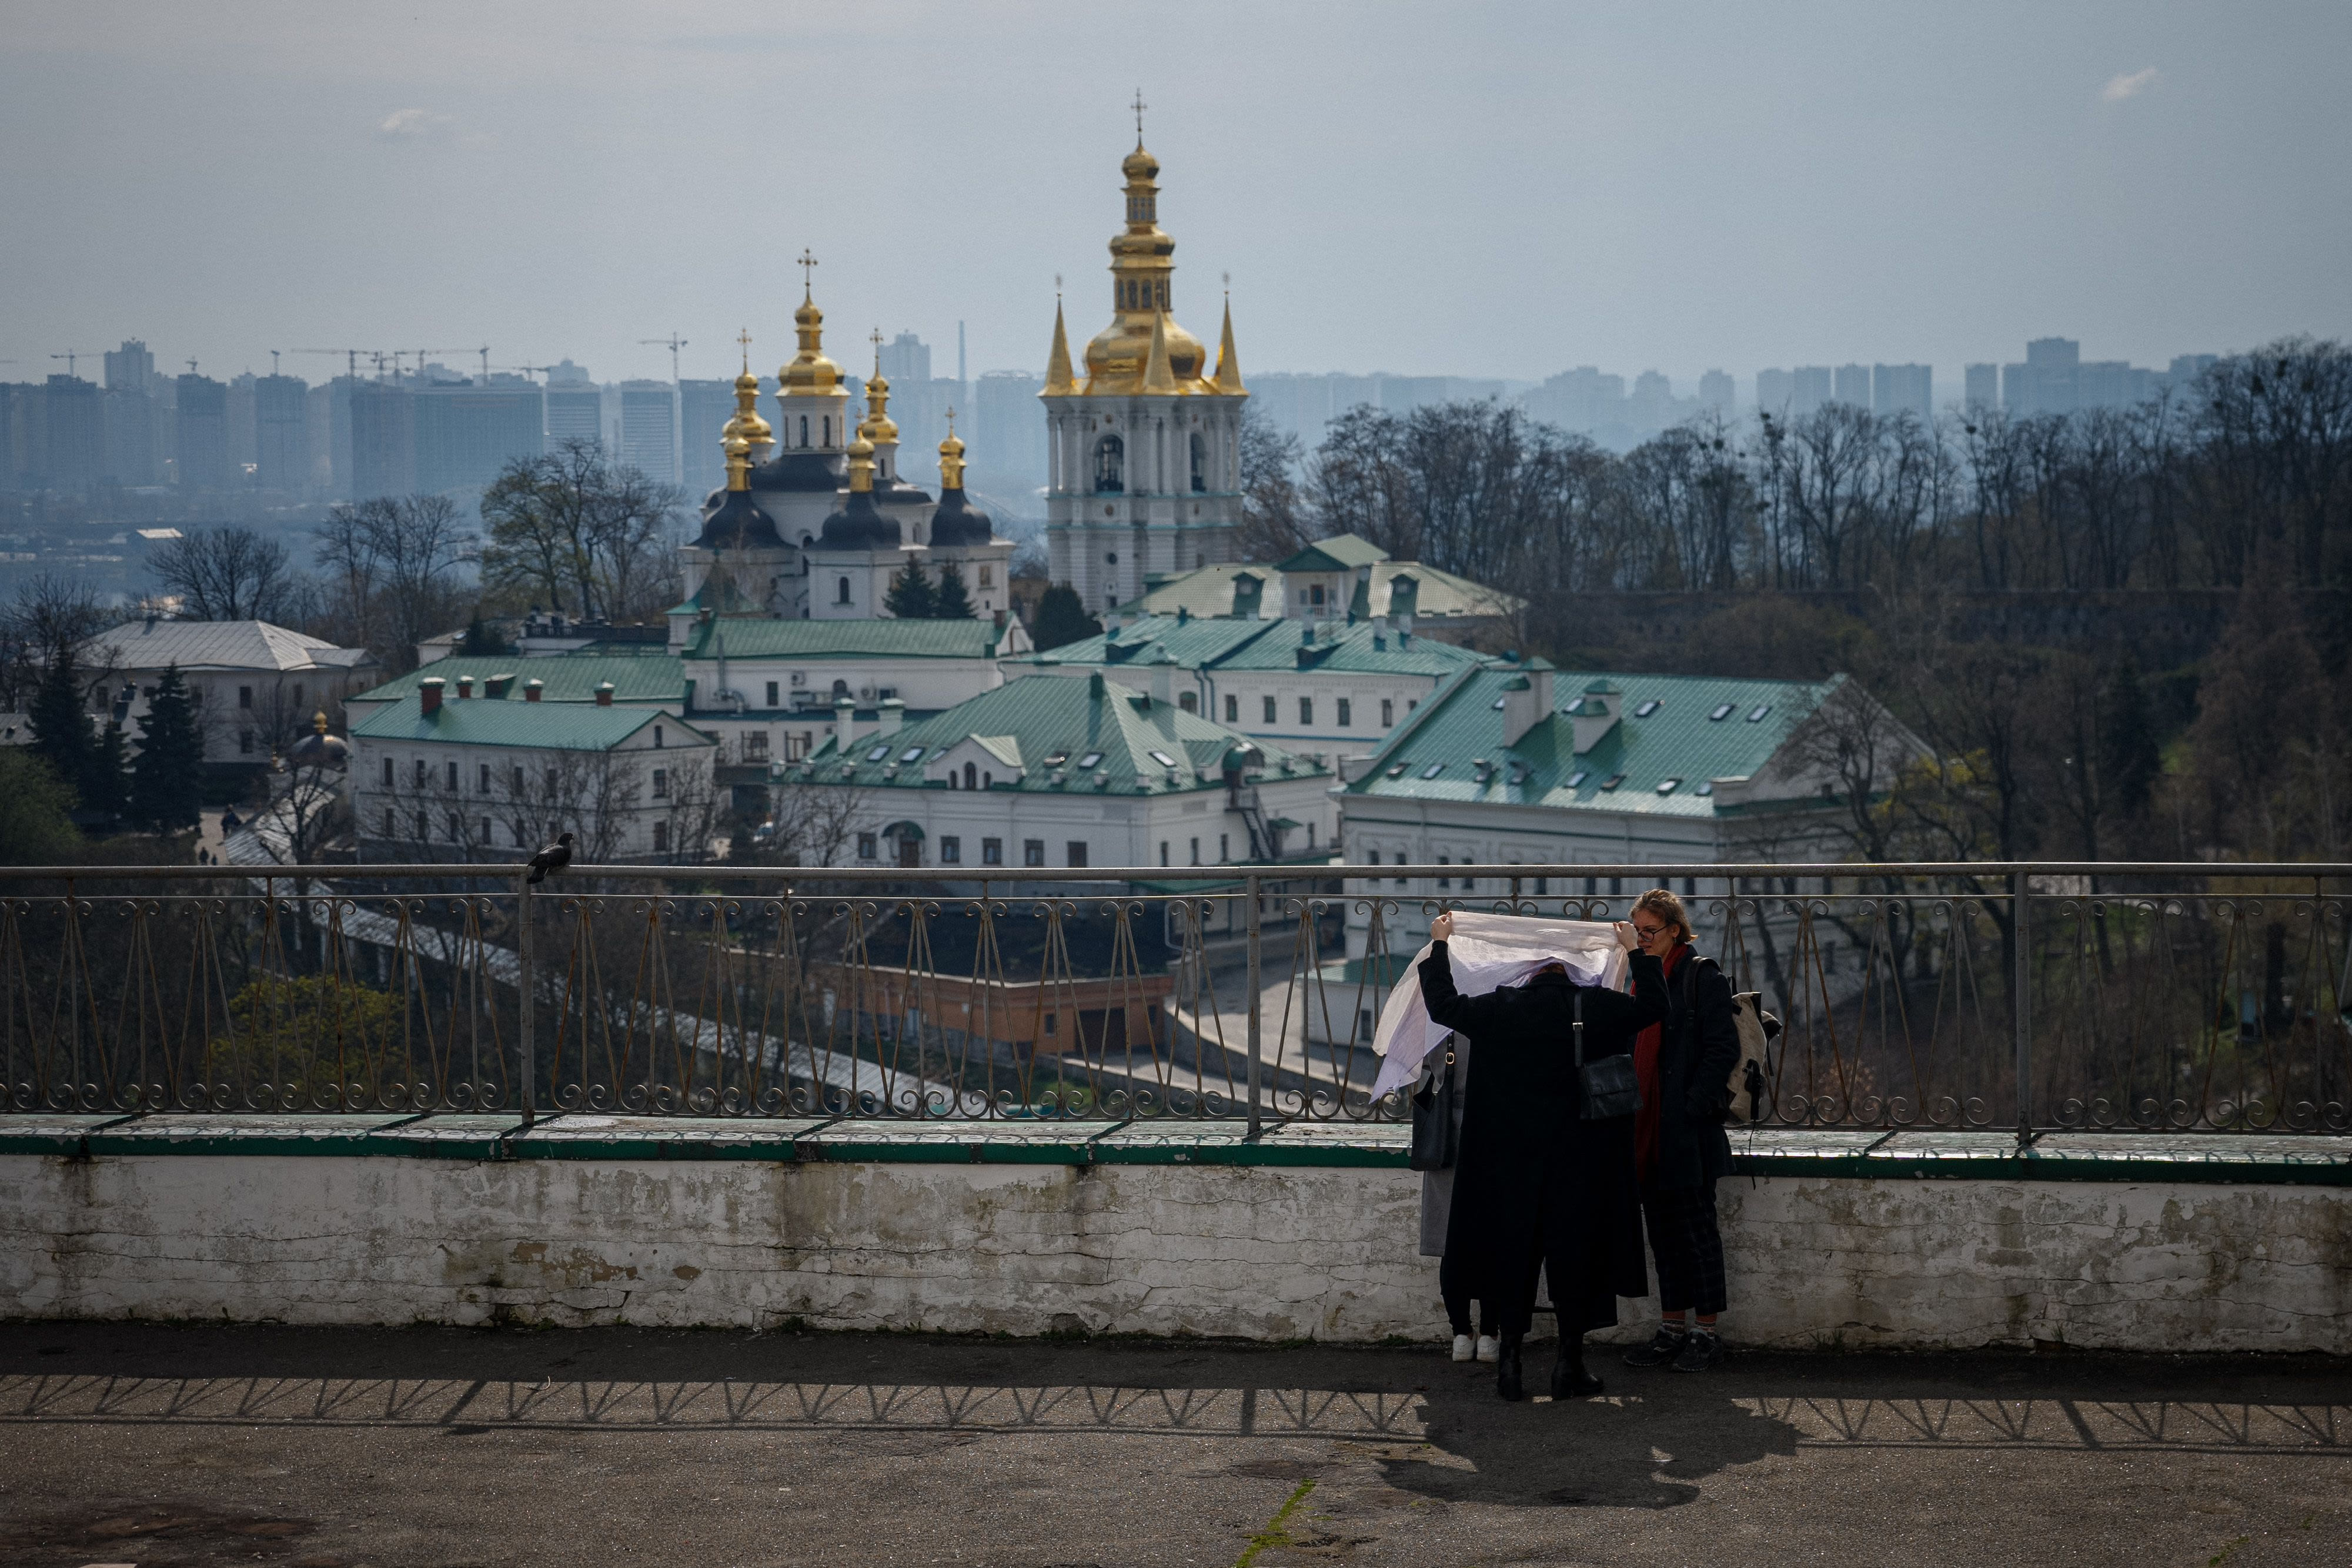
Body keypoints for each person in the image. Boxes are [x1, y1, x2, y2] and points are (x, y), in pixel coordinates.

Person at [1422, 909, 1667, 1402]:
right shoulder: (1597, 1004)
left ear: (1527, 969)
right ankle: (1567, 1366)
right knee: (1575, 1260)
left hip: (1509, 1163)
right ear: (1574, 967)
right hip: (1578, 1161)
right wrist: (1637, 952)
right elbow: (1654, 1006)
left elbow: (1443, 1005)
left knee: (1514, 1258)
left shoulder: (1498, 1007)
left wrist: (1441, 943)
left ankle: (1509, 1365)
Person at [1620, 888, 1741, 1374]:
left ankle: (1706, 1333)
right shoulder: (1640, 983)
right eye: (1638, 932)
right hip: (1648, 1130)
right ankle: (1671, 1328)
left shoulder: (1700, 976)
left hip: (1686, 1133)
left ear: (1675, 930)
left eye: (1651, 931)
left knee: (1696, 1235)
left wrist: (1690, 1108)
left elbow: (1722, 1049)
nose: (1643, 939)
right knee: (1664, 1237)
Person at [1415, 1033, 1498, 1364]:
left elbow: (1421, 1077)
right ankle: (1491, 1335)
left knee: (1452, 1244)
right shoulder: (1500, 1008)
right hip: (1494, 1131)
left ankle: (1461, 1335)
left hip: (1446, 1136)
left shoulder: (1441, 1020)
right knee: (1494, 1243)